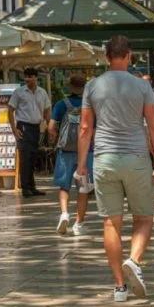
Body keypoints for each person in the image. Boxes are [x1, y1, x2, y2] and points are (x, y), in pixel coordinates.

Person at [78, 35, 154, 302]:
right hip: (137, 158)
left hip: (104, 158)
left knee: (110, 222)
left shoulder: (92, 86)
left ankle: (119, 287)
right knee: (143, 218)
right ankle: (134, 260)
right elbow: (153, 126)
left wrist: (82, 164)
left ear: (106, 57)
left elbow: (85, 128)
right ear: (129, 56)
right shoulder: (142, 87)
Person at [50, 73, 92, 236]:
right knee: (83, 188)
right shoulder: (89, 105)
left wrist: (55, 137)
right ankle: (78, 224)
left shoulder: (61, 104)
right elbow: (93, 129)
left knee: (64, 186)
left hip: (65, 151)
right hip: (86, 152)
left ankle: (64, 213)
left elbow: (51, 127)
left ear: (70, 87)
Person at [7, 67, 52, 197]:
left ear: (36, 77)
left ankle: (32, 187)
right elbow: (10, 110)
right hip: (24, 127)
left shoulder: (42, 93)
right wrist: (14, 129)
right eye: (26, 77)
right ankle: (25, 187)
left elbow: (47, 110)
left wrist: (49, 125)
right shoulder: (19, 92)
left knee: (33, 158)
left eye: (30, 76)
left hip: (36, 127)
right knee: (25, 157)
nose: (28, 79)